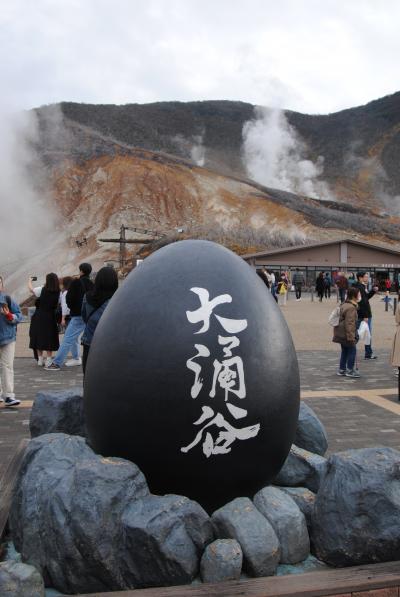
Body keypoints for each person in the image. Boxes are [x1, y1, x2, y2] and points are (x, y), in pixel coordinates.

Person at [46, 263, 93, 370]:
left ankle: (57, 363)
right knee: (76, 337)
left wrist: (73, 308)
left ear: (81, 271)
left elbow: (69, 299)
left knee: (67, 339)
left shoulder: (76, 282)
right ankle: (76, 358)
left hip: (77, 315)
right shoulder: (91, 284)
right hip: (88, 315)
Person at [81, 266, 118, 374]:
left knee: (88, 375)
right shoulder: (118, 298)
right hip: (111, 343)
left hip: (89, 341)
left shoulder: (87, 296)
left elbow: (84, 316)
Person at [28, 273, 61, 367]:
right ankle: (49, 359)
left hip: (39, 315)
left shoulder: (42, 289)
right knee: (49, 336)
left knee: (39, 336)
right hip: (50, 316)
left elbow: (31, 290)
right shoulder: (58, 291)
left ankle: (40, 359)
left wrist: (30, 280)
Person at [0, 276, 23, 406]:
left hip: (7, 338)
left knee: (7, 366)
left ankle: (9, 396)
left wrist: (9, 316)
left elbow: (19, 315)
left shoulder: (7, 299)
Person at [332, 286, 361, 378]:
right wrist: (351, 337)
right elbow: (350, 324)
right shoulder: (351, 307)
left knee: (344, 351)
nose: (359, 295)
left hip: (340, 332)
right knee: (352, 350)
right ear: (354, 295)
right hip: (346, 333)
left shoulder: (344, 304)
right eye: (358, 294)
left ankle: (342, 369)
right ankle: (350, 370)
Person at [353, 271, 378, 360]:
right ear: (360, 277)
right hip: (363, 315)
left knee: (360, 334)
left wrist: (373, 291)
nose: (367, 278)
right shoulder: (359, 287)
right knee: (364, 334)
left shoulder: (360, 286)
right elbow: (362, 303)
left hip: (361, 314)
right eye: (366, 277)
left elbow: (366, 298)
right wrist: (365, 316)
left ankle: (367, 353)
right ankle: (366, 353)